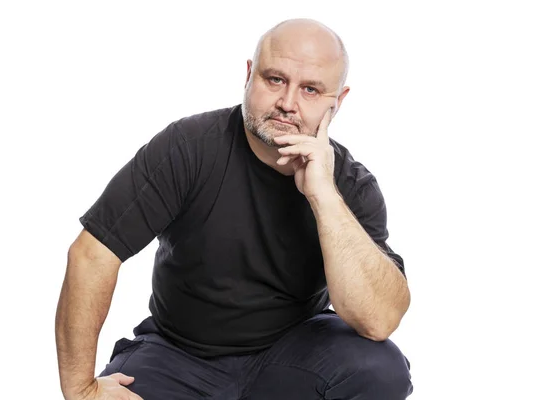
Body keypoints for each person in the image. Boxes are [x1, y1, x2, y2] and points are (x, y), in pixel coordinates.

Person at [55, 18, 413, 400]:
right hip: (178, 354)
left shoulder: (349, 185)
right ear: (249, 75)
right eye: (274, 79)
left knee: (382, 372)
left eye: (310, 90)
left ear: (336, 102)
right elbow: (91, 255)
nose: (287, 103)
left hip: (293, 356)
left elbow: (379, 321)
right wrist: (81, 390)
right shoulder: (188, 147)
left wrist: (323, 196)